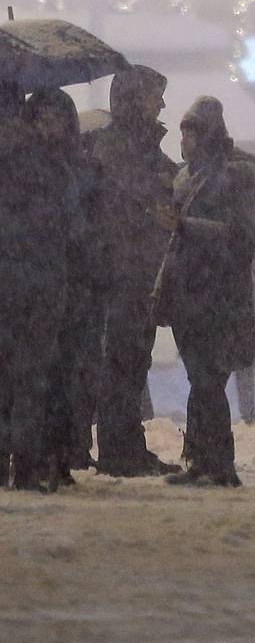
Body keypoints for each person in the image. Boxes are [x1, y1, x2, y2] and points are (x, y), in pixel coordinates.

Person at [155, 97, 255, 488]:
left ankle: (218, 462)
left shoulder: (231, 178)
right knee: (201, 379)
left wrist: (186, 226)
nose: (185, 140)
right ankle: (203, 459)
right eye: (184, 132)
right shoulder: (189, 178)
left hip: (216, 296)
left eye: (193, 131)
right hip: (189, 293)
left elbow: (239, 239)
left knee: (207, 380)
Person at [87, 65, 178, 478]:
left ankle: (126, 446)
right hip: (125, 267)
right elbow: (128, 194)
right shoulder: (118, 146)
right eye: (154, 95)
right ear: (133, 99)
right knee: (124, 361)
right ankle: (119, 450)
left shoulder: (136, 145)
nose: (161, 103)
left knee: (132, 360)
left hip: (137, 266)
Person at [29, 88, 106, 485]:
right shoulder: (24, 167)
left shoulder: (80, 168)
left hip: (74, 282)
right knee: (33, 377)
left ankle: (58, 455)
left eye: (55, 118)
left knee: (63, 377)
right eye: (40, 119)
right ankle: (32, 456)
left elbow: (91, 225)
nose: (49, 127)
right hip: (35, 280)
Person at [0, 82, 74, 491]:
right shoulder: (49, 165)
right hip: (39, 281)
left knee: (8, 376)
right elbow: (67, 221)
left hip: (12, 278)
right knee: (30, 378)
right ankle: (25, 467)